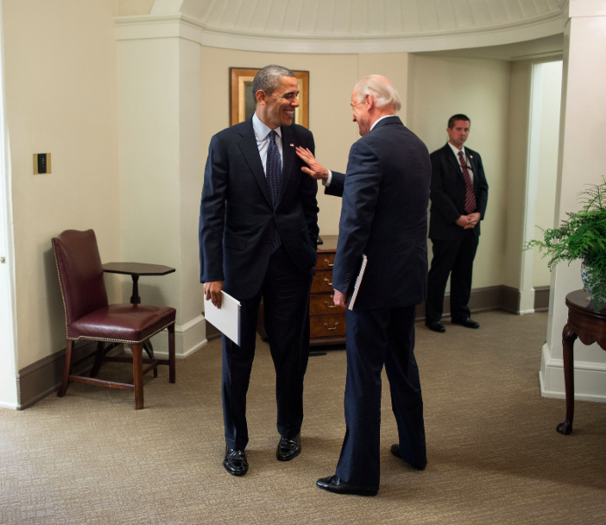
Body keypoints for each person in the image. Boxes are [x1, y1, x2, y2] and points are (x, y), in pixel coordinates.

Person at [296, 75, 429, 496]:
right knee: (403, 366)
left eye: (354, 105)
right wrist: (328, 175)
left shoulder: (368, 147)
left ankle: (357, 475)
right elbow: (383, 195)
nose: (353, 114)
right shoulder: (417, 145)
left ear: (369, 102)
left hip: (371, 285)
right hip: (408, 277)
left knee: (363, 378)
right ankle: (414, 449)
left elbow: (356, 223)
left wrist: (341, 280)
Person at [199, 65, 319, 477]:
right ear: (262, 97)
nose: (295, 103)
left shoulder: (301, 138)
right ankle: (235, 443)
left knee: (291, 354)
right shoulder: (225, 143)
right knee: (238, 357)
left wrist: (309, 246)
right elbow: (211, 211)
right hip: (239, 267)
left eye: (297, 95)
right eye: (288, 95)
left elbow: (308, 201)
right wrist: (211, 271)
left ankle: (290, 431)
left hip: (291, 265)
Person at [425, 115, 489, 333]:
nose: (463, 133)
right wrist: (457, 217)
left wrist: (478, 213)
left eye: (466, 129)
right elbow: (437, 192)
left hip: (471, 227)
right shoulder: (437, 158)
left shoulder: (474, 157)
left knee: (464, 272)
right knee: (440, 273)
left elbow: (483, 188)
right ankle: (432, 317)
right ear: (449, 130)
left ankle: (461, 314)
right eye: (459, 129)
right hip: (447, 227)